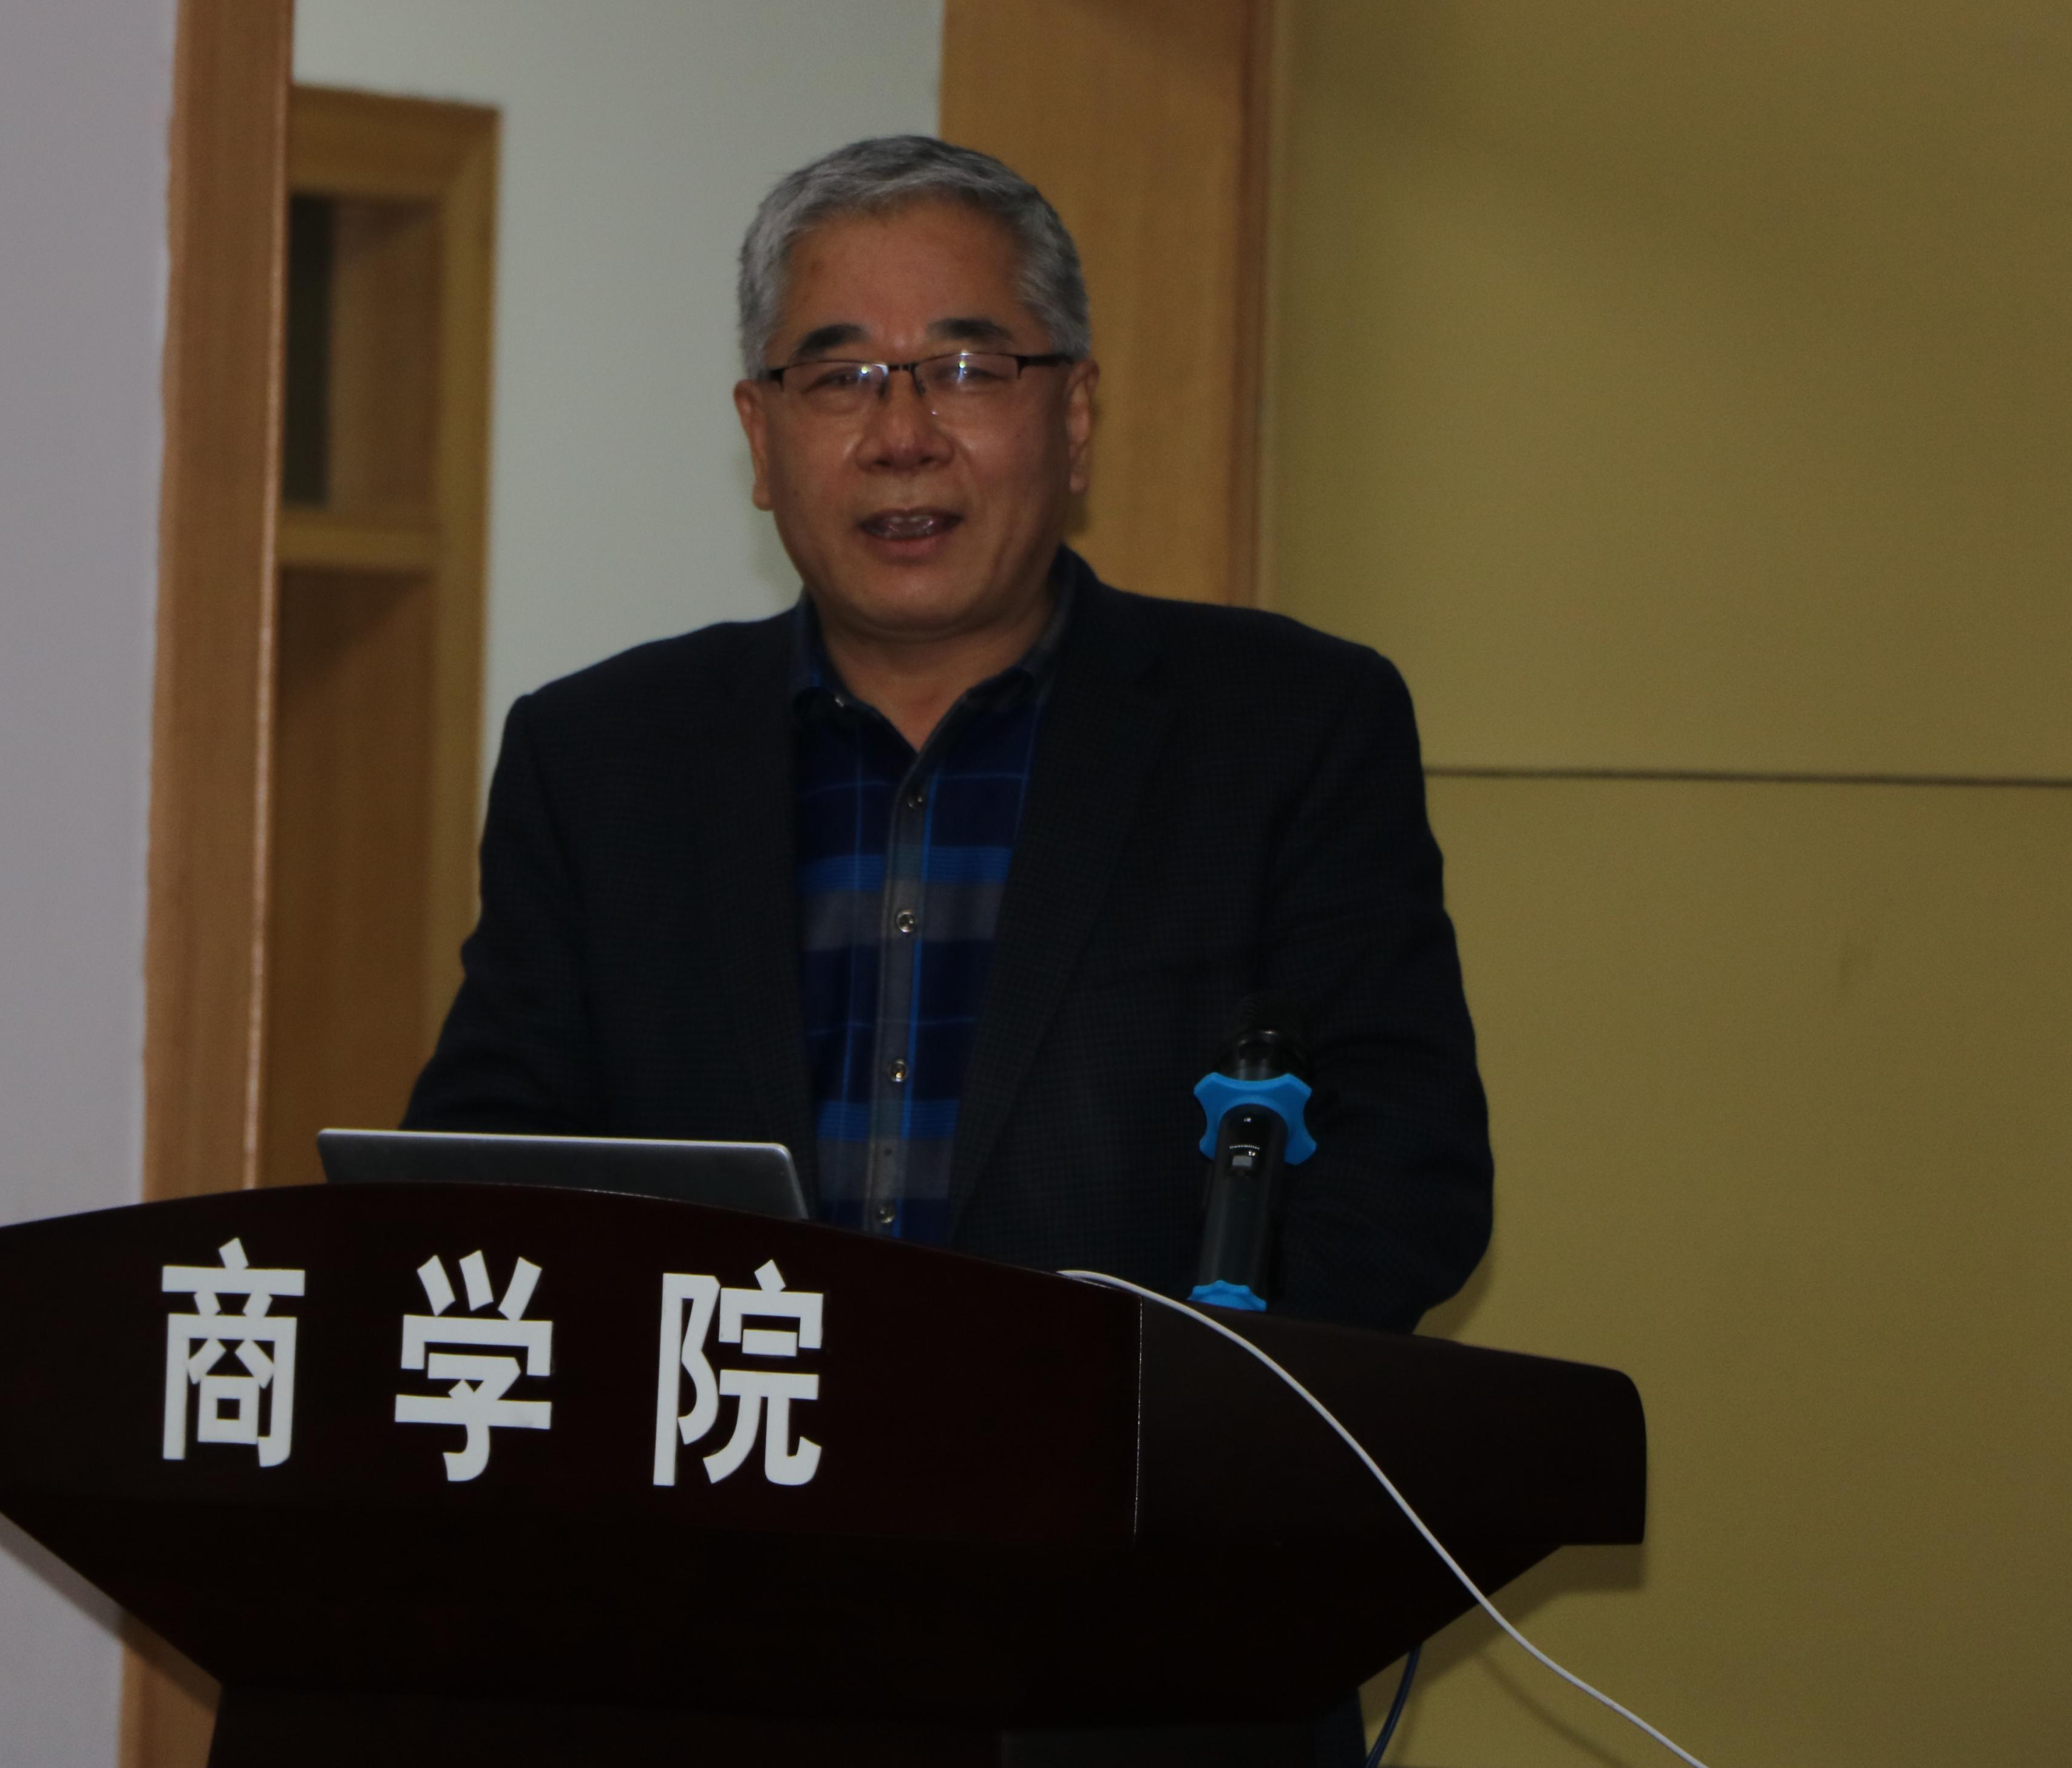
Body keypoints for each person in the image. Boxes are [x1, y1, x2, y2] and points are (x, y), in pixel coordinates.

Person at [404, 135, 1490, 1763]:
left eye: (969, 367)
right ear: (760, 437)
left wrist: (1131, 1438)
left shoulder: (1287, 728)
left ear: (1076, 414)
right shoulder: (601, 756)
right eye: (838, 377)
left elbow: (1407, 1172)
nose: (902, 432)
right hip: (705, 1653)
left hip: (1143, 1660)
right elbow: (483, 1182)